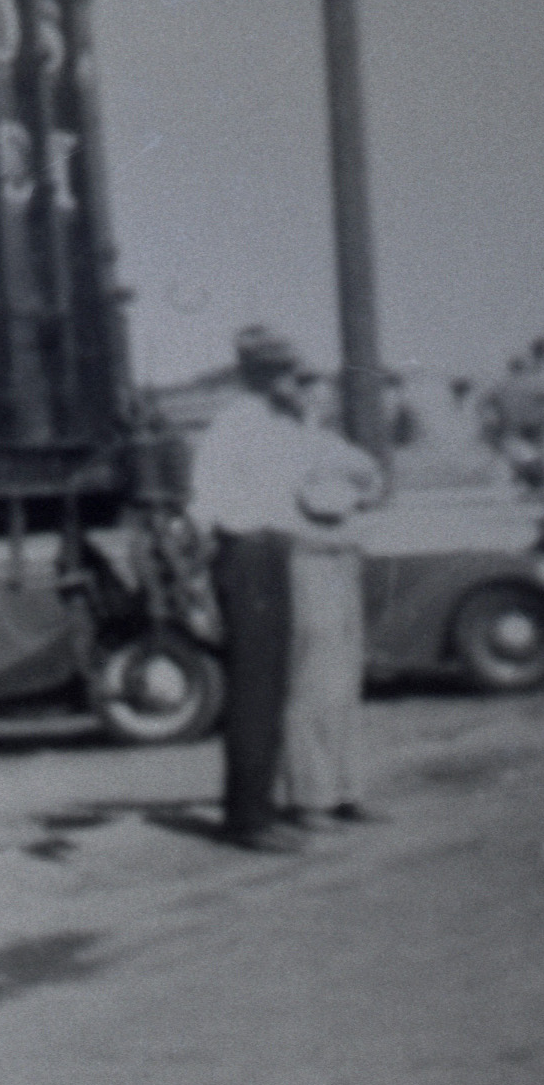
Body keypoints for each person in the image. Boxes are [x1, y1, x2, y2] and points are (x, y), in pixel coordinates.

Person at [186, 325, 384, 850]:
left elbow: (341, 471)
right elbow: (204, 500)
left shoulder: (285, 424)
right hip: (245, 550)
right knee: (255, 690)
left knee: (273, 687)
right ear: (259, 374)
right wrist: (201, 571)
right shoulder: (235, 424)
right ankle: (246, 819)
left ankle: (264, 809)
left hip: (273, 550)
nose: (291, 381)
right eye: (282, 372)